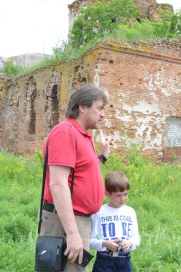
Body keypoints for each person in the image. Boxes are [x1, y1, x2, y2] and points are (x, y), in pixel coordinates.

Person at [40, 84, 114, 272]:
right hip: (66, 222)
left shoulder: (83, 135)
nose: (103, 114)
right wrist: (73, 234)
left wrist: (103, 155)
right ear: (83, 107)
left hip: (79, 220)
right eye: (99, 108)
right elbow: (57, 184)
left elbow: (83, 173)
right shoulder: (65, 132)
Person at [90, 172, 140, 272]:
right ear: (107, 194)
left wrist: (129, 243)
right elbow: (90, 241)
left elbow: (136, 237)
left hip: (124, 261)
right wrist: (105, 243)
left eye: (125, 194)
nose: (123, 199)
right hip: (104, 261)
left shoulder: (130, 212)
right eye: (119, 195)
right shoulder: (99, 212)